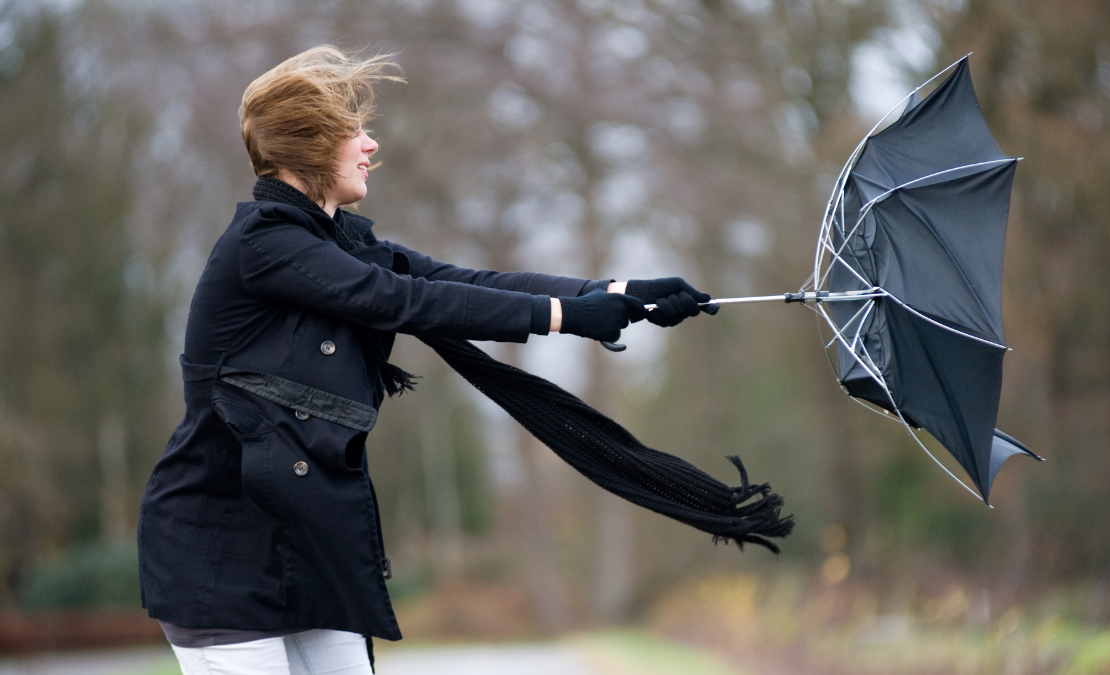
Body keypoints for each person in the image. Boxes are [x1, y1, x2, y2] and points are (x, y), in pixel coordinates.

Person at [136, 46, 714, 675]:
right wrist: (564, 317)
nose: (370, 145)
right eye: (352, 131)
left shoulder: (340, 241)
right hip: (219, 554)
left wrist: (616, 292)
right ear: (310, 144)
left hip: (307, 548)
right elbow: (400, 300)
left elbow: (459, 280)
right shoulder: (264, 243)